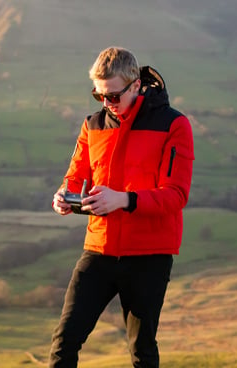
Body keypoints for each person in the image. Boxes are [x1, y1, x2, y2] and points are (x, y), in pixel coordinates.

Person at [49, 46, 194, 368]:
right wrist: (64, 196)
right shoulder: (93, 125)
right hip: (99, 250)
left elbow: (176, 195)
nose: (106, 104)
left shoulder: (174, 125)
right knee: (65, 341)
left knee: (142, 349)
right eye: (98, 95)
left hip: (149, 255)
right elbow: (75, 176)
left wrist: (124, 199)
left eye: (113, 96)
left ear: (135, 85)